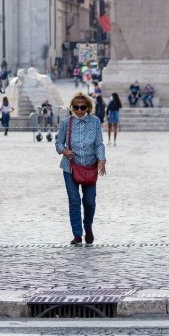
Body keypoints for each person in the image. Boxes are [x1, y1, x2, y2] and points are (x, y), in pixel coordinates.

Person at [55, 92, 106, 245]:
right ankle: (77, 234)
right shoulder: (66, 123)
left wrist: (102, 159)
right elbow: (58, 143)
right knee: (74, 201)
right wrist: (64, 151)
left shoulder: (95, 122)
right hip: (70, 167)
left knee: (89, 201)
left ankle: (88, 227)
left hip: (90, 167)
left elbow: (99, 144)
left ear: (88, 108)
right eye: (76, 107)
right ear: (72, 108)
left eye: (82, 107)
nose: (79, 110)